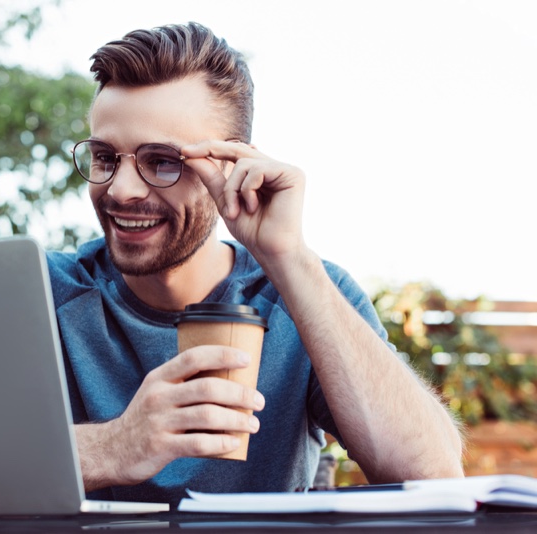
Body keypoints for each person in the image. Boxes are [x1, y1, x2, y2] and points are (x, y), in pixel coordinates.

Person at [46, 21, 464, 505]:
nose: (120, 189)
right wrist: (115, 446)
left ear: (233, 165)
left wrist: (288, 257)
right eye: (104, 157)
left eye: (161, 161)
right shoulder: (43, 294)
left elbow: (434, 475)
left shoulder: (306, 292)